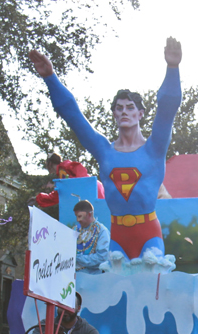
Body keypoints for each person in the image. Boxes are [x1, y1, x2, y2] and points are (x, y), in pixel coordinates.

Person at [29, 38, 182, 264]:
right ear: (114, 114)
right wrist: (50, 78)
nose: (124, 112)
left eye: (130, 107)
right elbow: (73, 116)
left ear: (140, 114)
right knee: (116, 283)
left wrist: (172, 68)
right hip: (118, 237)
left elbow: (167, 109)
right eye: (119, 108)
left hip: (149, 234)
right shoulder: (104, 151)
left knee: (152, 279)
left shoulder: (154, 148)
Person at [34, 153, 105, 207]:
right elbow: (58, 195)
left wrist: (77, 183)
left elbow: (80, 172)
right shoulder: (62, 174)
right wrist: (38, 198)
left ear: (50, 164)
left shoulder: (65, 166)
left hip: (92, 189)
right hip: (94, 188)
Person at [72, 199, 111, 275]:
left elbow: (102, 258)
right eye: (76, 216)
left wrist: (77, 258)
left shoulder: (102, 231)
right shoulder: (75, 230)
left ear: (89, 214)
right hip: (74, 278)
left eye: (79, 216)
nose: (77, 220)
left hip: (93, 278)